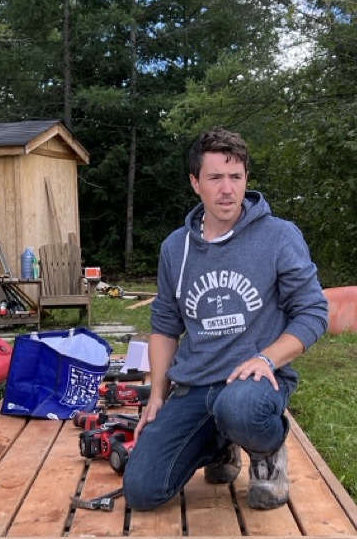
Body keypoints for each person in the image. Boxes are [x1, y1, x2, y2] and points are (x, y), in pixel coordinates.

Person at [123, 127, 328, 512]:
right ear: (195, 182)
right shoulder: (175, 248)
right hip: (196, 385)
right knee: (142, 491)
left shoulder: (279, 236)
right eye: (215, 177)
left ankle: (267, 451)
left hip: (254, 383)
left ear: (246, 178)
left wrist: (267, 358)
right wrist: (157, 394)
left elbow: (313, 312)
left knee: (239, 407)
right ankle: (220, 444)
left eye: (236, 177)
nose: (227, 189)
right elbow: (166, 325)